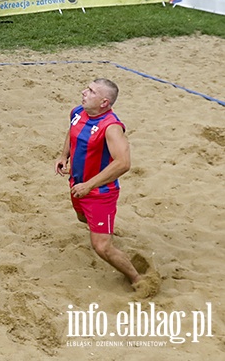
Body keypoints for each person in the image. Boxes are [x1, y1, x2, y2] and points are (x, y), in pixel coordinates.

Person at [54, 79, 154, 294]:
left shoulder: (111, 127)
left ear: (104, 102)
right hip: (78, 184)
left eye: (91, 91)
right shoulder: (78, 112)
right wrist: (64, 156)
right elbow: (72, 132)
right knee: (82, 219)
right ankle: (104, 229)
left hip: (99, 192)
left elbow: (124, 163)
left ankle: (138, 279)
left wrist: (89, 185)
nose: (84, 92)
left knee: (101, 247)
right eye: (87, 88)